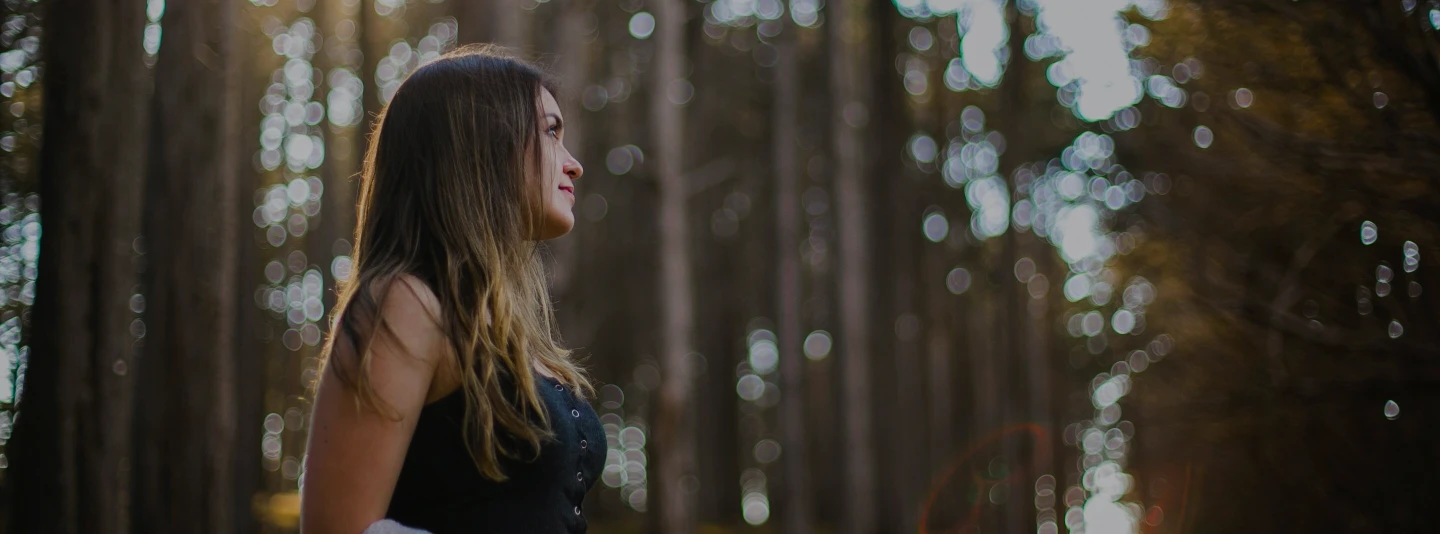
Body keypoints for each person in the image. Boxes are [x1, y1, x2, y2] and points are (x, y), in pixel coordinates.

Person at [300, 45, 602, 534]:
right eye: (550, 131)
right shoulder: (406, 303)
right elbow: (338, 529)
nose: (574, 165)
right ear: (481, 142)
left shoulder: (500, 326)